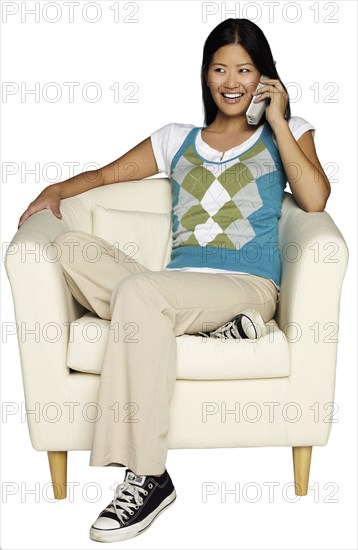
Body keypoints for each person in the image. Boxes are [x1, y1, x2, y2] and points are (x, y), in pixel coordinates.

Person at [18, 17, 331, 544]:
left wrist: (278, 120)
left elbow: (316, 199)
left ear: (265, 78)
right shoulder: (176, 139)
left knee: (142, 293)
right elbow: (105, 176)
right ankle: (214, 330)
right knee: (67, 247)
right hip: (177, 289)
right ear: (206, 76)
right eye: (220, 69)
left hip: (247, 286)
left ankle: (147, 474)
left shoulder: (291, 132)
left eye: (245, 70)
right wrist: (54, 188)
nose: (232, 82)